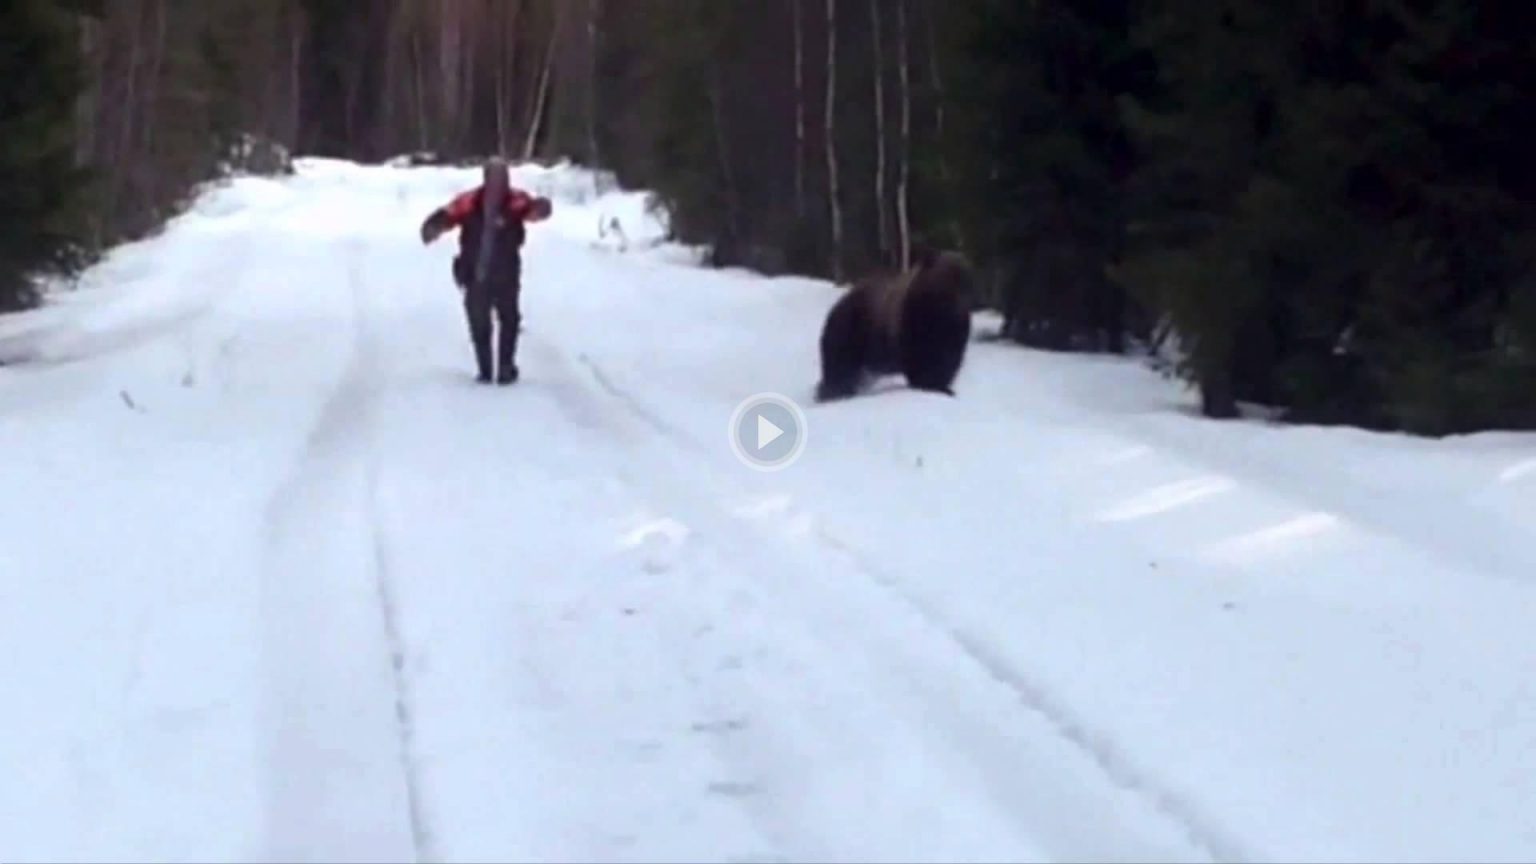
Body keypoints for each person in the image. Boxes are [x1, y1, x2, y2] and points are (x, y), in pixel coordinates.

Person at [419, 158, 553, 384]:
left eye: (501, 178)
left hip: (504, 270)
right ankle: (486, 367)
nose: (497, 184)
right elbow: (448, 214)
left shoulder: (515, 201)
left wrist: (542, 207)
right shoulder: (471, 201)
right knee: (481, 319)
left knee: (507, 318)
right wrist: (433, 226)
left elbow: (534, 210)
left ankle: (504, 367)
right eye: (494, 178)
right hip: (475, 270)